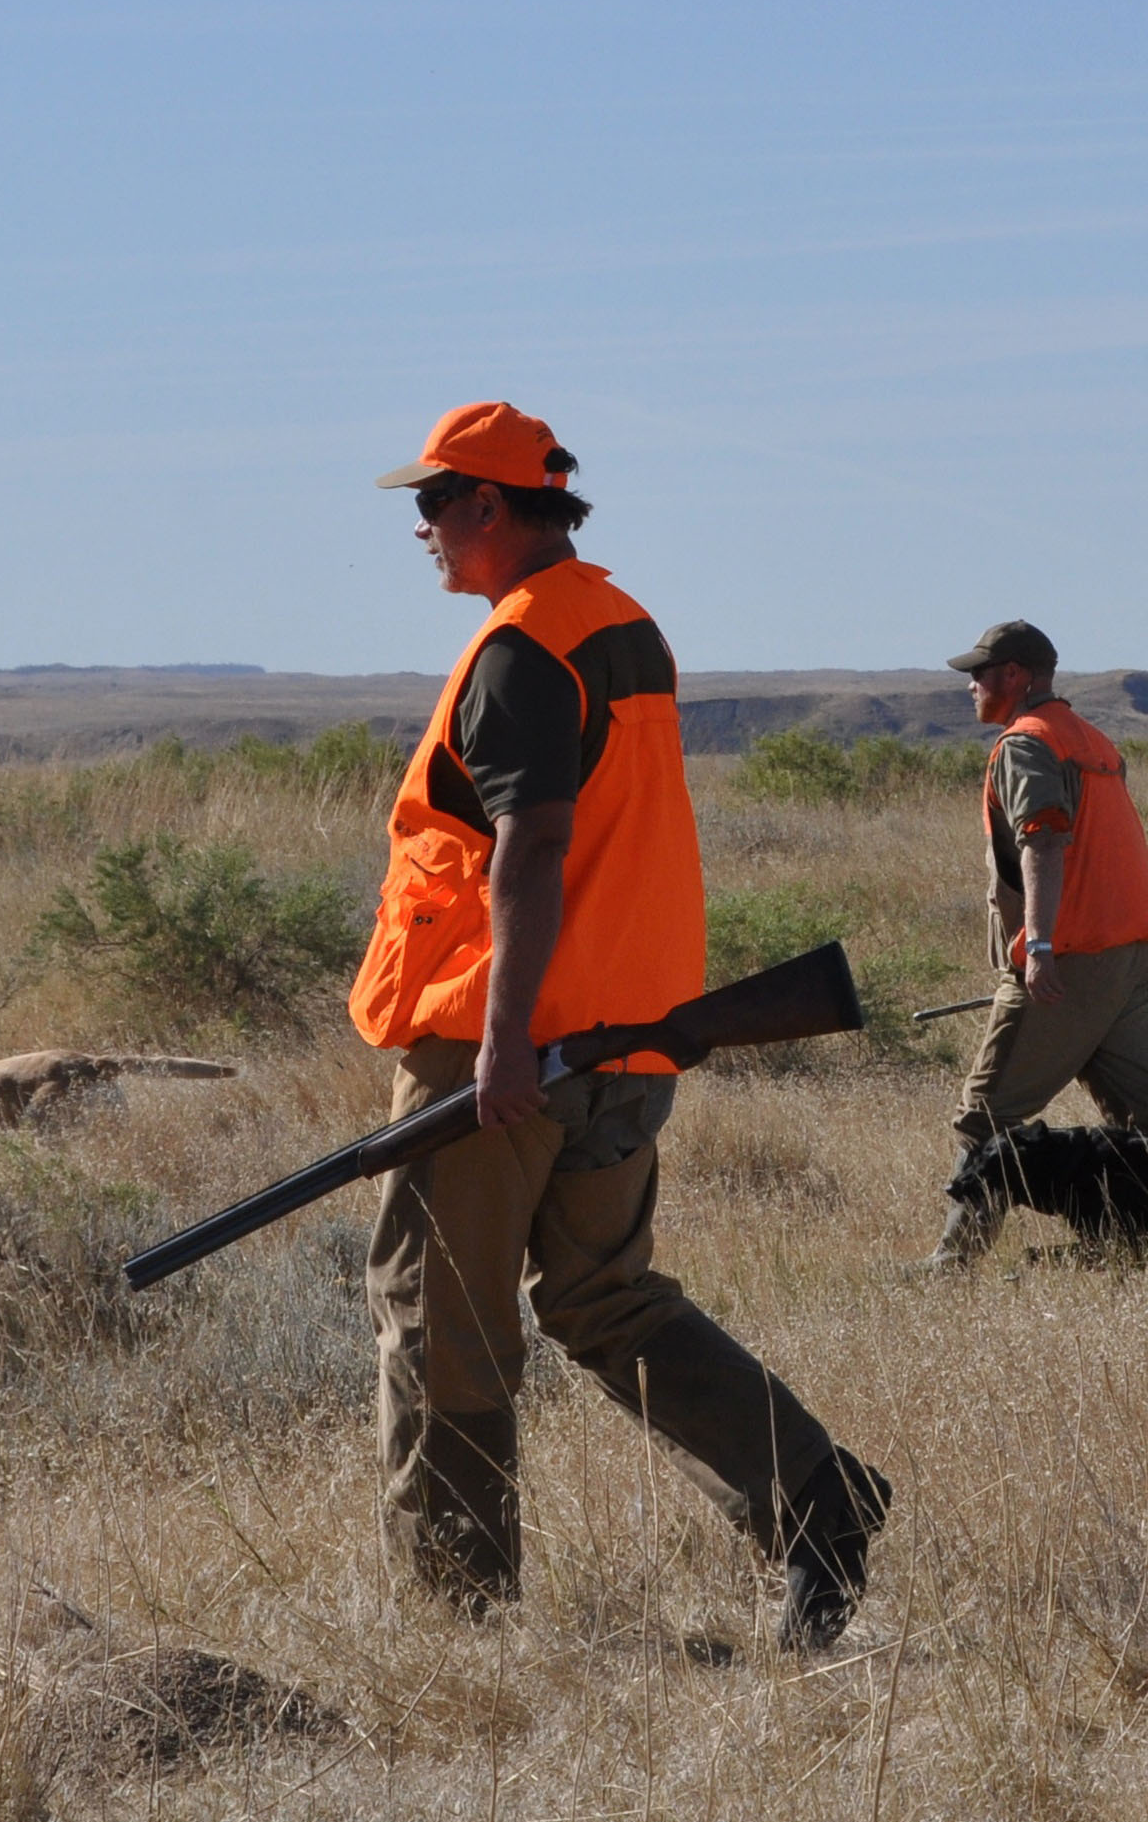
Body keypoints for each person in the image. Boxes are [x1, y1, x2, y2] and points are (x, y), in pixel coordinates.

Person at [353, 401, 888, 1649]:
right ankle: (814, 1492)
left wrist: (494, 1046)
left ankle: (458, 1626)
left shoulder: (520, 648)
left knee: (442, 1331)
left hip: (508, 1048)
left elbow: (535, 845)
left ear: (491, 505)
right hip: (623, 1038)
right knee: (607, 1301)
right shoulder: (622, 626)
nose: (421, 528)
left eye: (433, 503)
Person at [918, 620, 1148, 1270]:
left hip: (1068, 959)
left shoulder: (1026, 742)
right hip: (1129, 952)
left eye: (980, 672)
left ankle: (952, 1266)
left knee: (985, 1119)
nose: (970, 685)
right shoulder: (1091, 740)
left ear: (1015, 675)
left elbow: (1044, 837)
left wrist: (1038, 944)